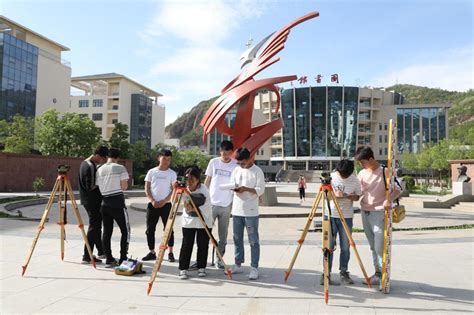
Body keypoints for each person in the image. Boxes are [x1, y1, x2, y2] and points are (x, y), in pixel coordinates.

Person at [355, 146, 401, 285]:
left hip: (379, 212)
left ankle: (383, 274)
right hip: (365, 212)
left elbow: (399, 189)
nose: (361, 165)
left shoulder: (385, 172)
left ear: (370, 159)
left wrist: (389, 199)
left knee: (379, 246)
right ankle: (377, 273)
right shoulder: (362, 173)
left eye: (362, 162)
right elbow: (359, 191)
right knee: (372, 246)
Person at [321, 159, 361, 285]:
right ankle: (326, 273)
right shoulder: (331, 178)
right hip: (331, 214)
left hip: (347, 216)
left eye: (346, 175)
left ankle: (343, 271)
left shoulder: (355, 180)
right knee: (329, 246)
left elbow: (358, 197)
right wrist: (333, 195)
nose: (344, 177)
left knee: (345, 247)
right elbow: (323, 196)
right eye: (342, 174)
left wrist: (348, 196)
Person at [229, 147, 265, 280]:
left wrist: (246, 189)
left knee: (253, 240)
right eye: (238, 163)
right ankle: (238, 263)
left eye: (242, 163)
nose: (240, 165)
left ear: (249, 159)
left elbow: (261, 189)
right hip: (237, 209)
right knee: (237, 238)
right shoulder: (236, 170)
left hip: (251, 211)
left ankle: (254, 267)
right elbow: (232, 184)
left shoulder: (257, 171)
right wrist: (234, 188)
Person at [204, 140, 237, 269]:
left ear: (232, 153)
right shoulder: (213, 162)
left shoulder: (235, 165)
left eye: (229, 153)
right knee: (205, 232)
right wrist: (204, 197)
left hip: (226, 204)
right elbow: (208, 180)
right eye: (224, 152)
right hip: (211, 203)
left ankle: (219, 258)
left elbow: (236, 184)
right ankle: (202, 259)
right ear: (220, 151)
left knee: (223, 235)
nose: (226, 155)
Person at [95, 148, 130, 267]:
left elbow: (98, 186)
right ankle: (123, 258)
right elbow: (124, 187)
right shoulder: (120, 168)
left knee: (107, 232)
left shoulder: (99, 169)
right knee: (125, 231)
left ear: (107, 157)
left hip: (104, 203)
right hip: (117, 203)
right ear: (117, 158)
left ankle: (109, 258)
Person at [178, 167, 214, 279]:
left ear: (198, 180)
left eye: (192, 180)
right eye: (187, 179)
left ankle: (201, 267)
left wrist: (193, 208)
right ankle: (183, 268)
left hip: (203, 220)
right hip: (188, 220)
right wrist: (177, 191)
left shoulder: (204, 190)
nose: (189, 182)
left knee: (202, 244)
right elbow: (178, 201)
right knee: (186, 244)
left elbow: (207, 206)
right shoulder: (183, 188)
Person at [142, 149, 177, 262]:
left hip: (166, 205)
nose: (166, 161)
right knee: (150, 229)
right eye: (164, 158)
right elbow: (147, 188)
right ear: (159, 158)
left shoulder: (172, 173)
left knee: (168, 229)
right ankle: (152, 252)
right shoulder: (152, 172)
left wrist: (165, 200)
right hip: (152, 205)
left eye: (168, 159)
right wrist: (152, 200)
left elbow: (173, 189)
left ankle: (170, 252)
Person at [79, 145, 109, 264]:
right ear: (98, 156)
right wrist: (103, 183)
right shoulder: (90, 166)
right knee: (94, 227)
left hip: (88, 200)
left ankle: (100, 251)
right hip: (92, 201)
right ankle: (87, 255)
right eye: (103, 159)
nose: (103, 161)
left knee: (96, 227)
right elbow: (90, 186)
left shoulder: (84, 163)